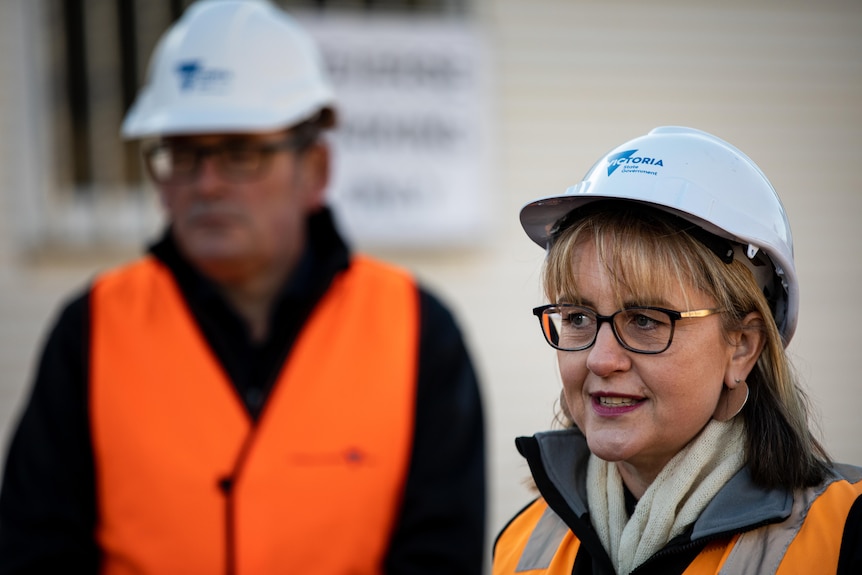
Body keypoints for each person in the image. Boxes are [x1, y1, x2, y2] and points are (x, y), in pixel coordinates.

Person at [0, 1, 486, 573]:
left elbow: (440, 557)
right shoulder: (93, 327)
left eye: (240, 153)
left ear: (316, 169)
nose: (205, 184)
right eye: (181, 154)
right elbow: (35, 550)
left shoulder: (417, 331)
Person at [492, 126, 862, 574]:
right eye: (577, 318)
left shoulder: (844, 533)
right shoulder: (524, 544)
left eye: (646, 321)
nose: (601, 359)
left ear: (742, 348)